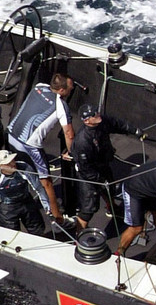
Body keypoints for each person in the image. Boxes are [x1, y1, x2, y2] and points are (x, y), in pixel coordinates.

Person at [6, 67, 76, 212]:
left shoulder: (39, 87)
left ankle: (46, 205)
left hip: (11, 135)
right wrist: (72, 153)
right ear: (62, 90)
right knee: (47, 181)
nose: (71, 90)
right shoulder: (61, 105)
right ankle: (58, 219)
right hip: (29, 145)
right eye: (70, 88)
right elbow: (68, 133)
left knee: (29, 172)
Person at [64, 104, 134, 233]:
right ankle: (79, 235)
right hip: (88, 176)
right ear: (86, 120)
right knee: (88, 208)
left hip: (102, 165)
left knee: (109, 190)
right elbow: (85, 168)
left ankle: (112, 208)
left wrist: (134, 130)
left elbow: (116, 123)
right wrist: (99, 179)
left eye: (96, 112)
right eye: (94, 114)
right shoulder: (82, 142)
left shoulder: (101, 122)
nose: (98, 114)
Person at [0, 149, 54, 235]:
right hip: (7, 207)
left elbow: (38, 188)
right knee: (11, 235)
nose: (13, 164)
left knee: (38, 230)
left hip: (26, 201)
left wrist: (47, 206)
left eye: (13, 160)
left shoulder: (23, 167)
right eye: (8, 163)